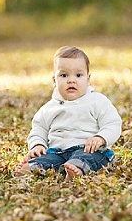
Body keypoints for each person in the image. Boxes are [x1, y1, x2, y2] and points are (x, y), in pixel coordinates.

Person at [16, 46, 122, 179]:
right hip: (57, 152)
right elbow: (39, 129)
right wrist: (37, 145)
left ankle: (77, 168)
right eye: (64, 75)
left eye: (78, 75)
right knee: (48, 160)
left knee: (89, 158)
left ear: (88, 79)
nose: (71, 80)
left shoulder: (97, 101)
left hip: (88, 149)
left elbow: (113, 124)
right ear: (54, 80)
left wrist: (101, 138)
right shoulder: (49, 108)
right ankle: (33, 167)